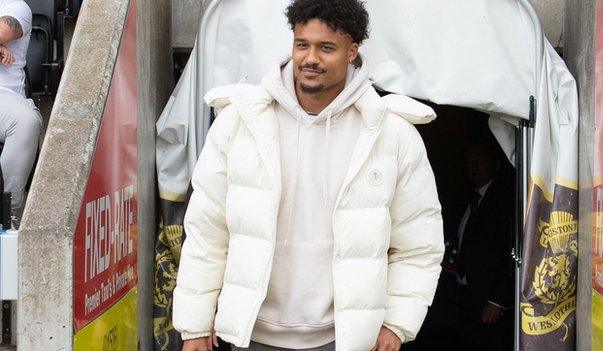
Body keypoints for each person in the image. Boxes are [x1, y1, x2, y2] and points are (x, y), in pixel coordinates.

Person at [173, 0, 444, 350]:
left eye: (326, 47)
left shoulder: (391, 134)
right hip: (249, 335)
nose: (310, 58)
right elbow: (206, 232)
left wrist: (397, 324)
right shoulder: (240, 122)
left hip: (343, 339)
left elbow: (418, 245)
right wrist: (194, 325)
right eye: (302, 44)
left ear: (352, 51)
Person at [455, 140, 514, 351]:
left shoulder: (504, 200)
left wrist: (498, 299)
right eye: (470, 163)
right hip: (467, 295)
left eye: (479, 162)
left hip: (489, 300)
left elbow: (510, 251)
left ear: (496, 164)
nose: (474, 168)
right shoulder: (472, 196)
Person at [0, 0, 42, 224]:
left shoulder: (15, 6)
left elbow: (4, 30)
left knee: (26, 121)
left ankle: (8, 211)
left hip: (3, 97)